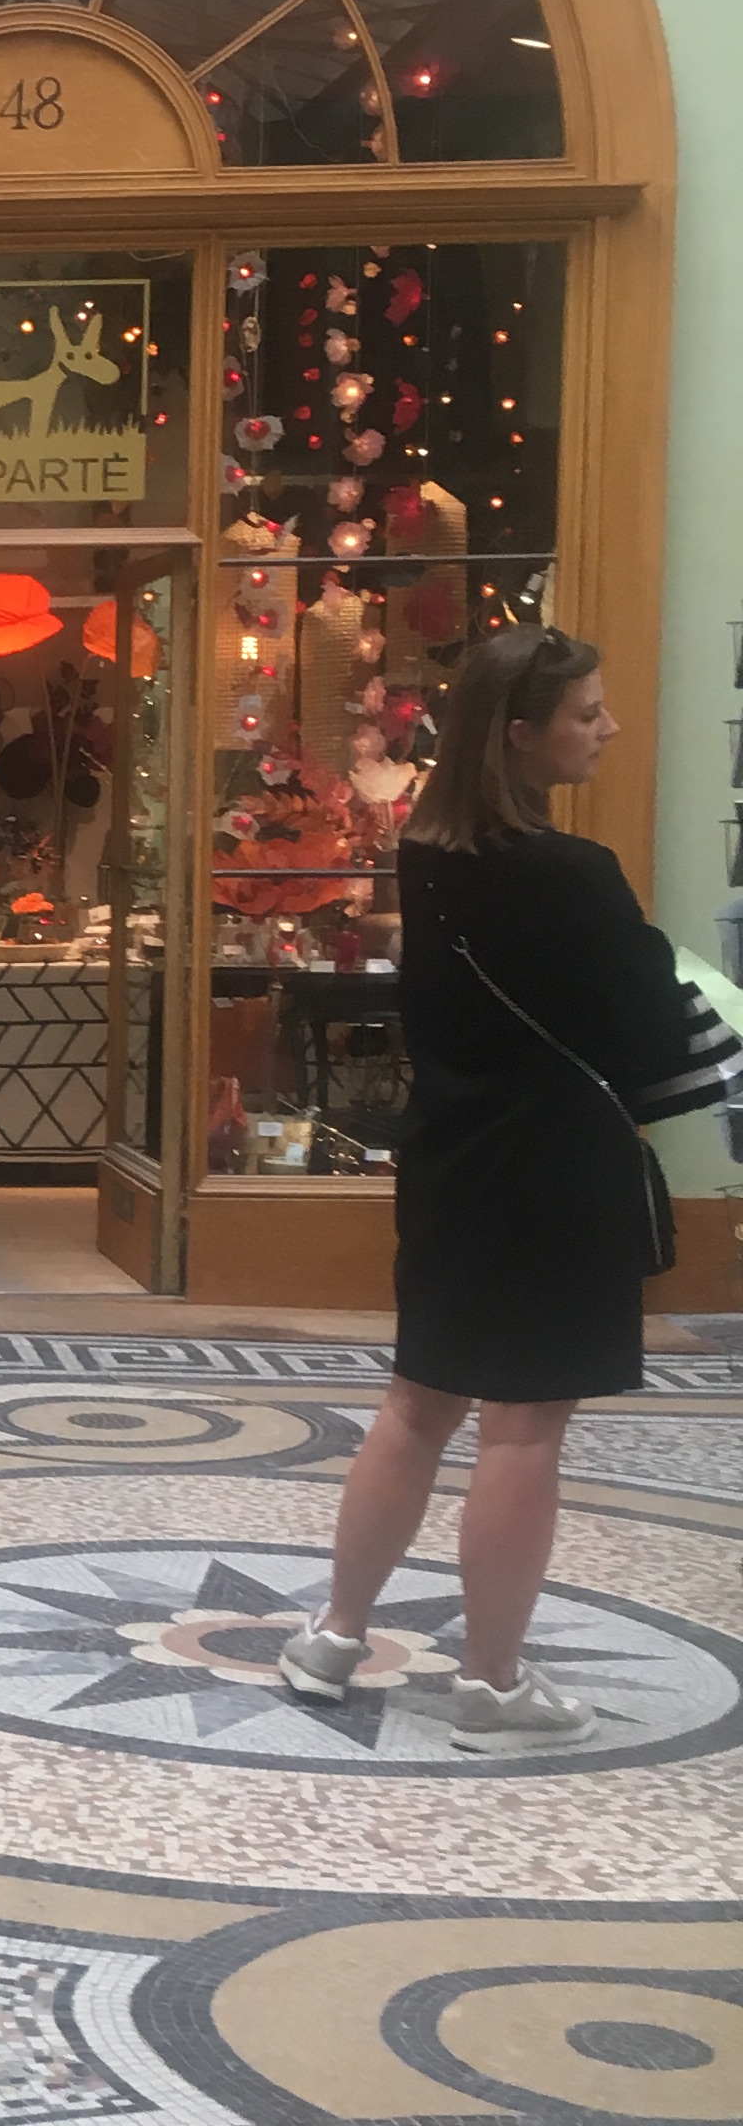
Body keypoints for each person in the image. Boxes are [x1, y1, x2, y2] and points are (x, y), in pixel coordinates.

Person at [280, 625, 740, 1747]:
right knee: (525, 1432)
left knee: (416, 1405)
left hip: (451, 1162)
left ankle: (334, 1634)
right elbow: (649, 1022)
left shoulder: (426, 856)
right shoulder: (573, 874)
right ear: (520, 734)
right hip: (557, 1173)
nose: (608, 728)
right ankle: (491, 1686)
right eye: (587, 714)